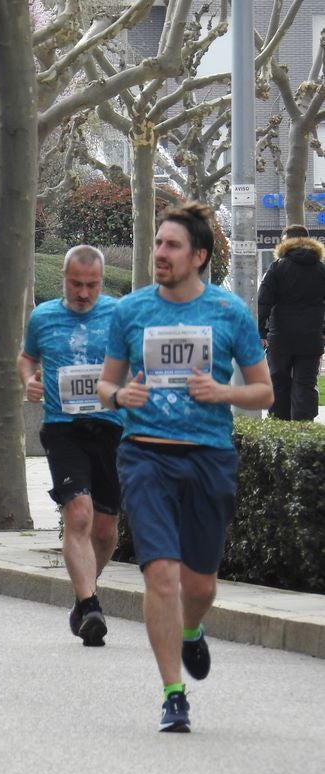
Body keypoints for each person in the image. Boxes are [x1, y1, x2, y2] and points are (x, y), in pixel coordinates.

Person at [97, 202, 273, 733]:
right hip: (145, 453)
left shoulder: (229, 313)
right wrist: (118, 394)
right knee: (161, 574)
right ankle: (173, 693)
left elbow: (263, 389)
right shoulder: (130, 312)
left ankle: (192, 630)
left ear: (198, 255)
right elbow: (107, 385)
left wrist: (224, 392)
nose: (160, 254)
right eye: (157, 244)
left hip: (208, 457)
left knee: (199, 585)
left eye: (172, 246)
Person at [17, 245, 122, 647]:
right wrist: (28, 379)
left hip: (111, 426)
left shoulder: (117, 315)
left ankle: (83, 596)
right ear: (64, 278)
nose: (83, 293)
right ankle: (90, 605)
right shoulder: (44, 317)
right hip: (63, 428)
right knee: (78, 514)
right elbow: (26, 358)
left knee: (106, 528)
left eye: (91, 285)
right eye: (76, 284)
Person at [256, 223, 325, 421]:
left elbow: (263, 302)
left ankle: (280, 431)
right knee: (305, 384)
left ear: (286, 242)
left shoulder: (277, 268)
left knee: (278, 383)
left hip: (280, 337)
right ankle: (302, 435)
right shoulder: (321, 269)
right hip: (312, 337)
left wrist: (261, 332)